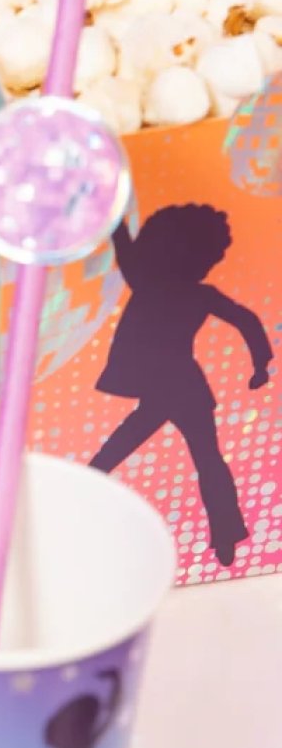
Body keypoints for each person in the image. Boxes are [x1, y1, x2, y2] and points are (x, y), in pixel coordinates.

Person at [89, 205, 271, 567]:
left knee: (185, 455)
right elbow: (246, 320)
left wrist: (260, 366)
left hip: (177, 388)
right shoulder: (181, 289)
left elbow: (247, 319)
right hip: (180, 387)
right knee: (204, 458)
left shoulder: (150, 282)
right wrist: (259, 365)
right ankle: (226, 534)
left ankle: (226, 534)